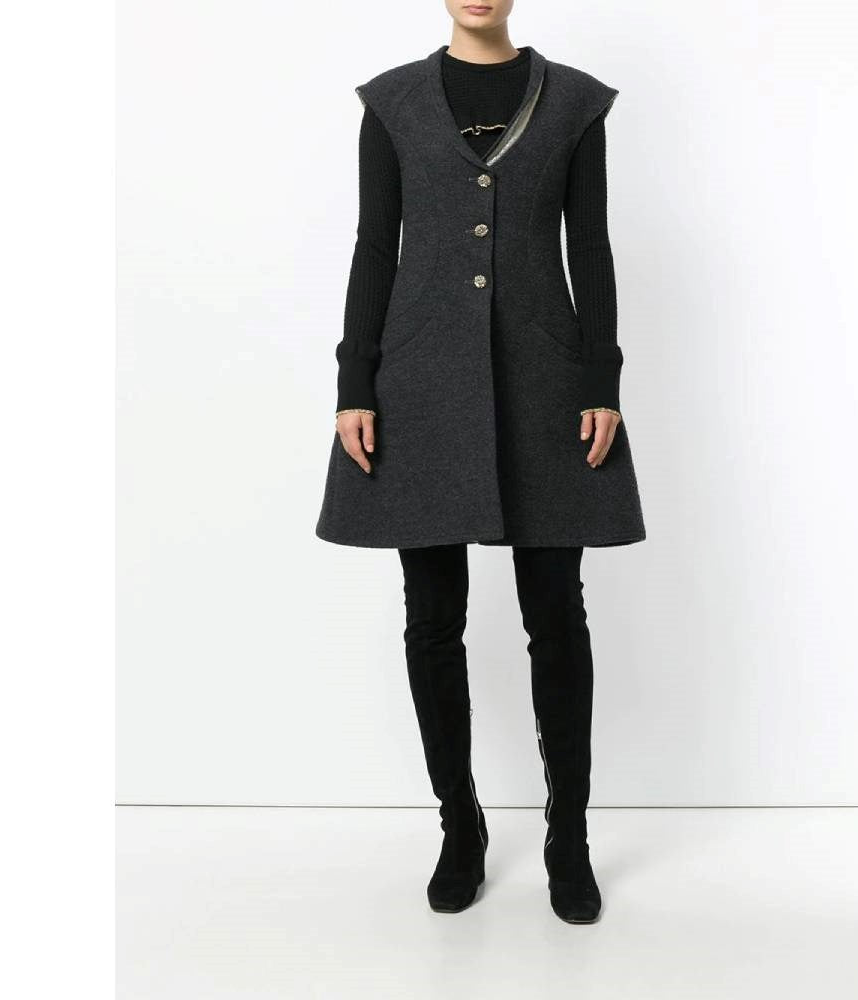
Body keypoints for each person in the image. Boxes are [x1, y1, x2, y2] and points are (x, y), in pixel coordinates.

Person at [315, 0, 646, 924]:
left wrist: (601, 378)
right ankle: (459, 827)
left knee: (557, 616)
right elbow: (374, 246)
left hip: (545, 382)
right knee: (432, 618)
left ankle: (568, 836)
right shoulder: (391, 104)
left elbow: (592, 248)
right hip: (418, 382)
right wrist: (354, 382)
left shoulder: (574, 103)